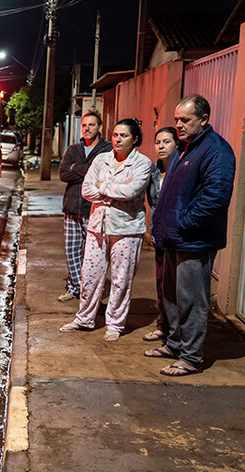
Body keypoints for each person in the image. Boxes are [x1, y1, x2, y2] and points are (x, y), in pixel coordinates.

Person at [149, 95, 236, 376]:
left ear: (204, 119)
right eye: (176, 119)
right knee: (172, 296)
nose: (178, 125)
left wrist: (184, 224)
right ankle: (174, 344)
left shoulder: (217, 151)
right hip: (175, 238)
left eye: (185, 120)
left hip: (194, 240)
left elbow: (215, 198)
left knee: (192, 300)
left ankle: (191, 357)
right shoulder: (182, 149)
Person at [59, 118, 151, 341]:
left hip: (126, 229)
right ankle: (84, 318)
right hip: (97, 226)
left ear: (135, 139)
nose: (118, 139)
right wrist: (111, 191)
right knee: (89, 275)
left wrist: (103, 188)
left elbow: (132, 191)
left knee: (121, 278)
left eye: (124, 136)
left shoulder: (143, 163)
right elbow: (86, 190)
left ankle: (115, 324)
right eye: (116, 135)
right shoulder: (101, 160)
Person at [57, 111, 113, 302]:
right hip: (71, 207)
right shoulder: (73, 149)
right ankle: (75, 288)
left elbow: (104, 175)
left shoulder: (107, 149)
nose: (87, 128)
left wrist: (76, 168)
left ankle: (90, 290)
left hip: (94, 209)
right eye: (84, 125)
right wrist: (88, 173)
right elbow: (63, 174)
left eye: (91, 125)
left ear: (99, 127)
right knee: (72, 251)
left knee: (94, 253)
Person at [143, 127, 180, 343]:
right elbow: (151, 200)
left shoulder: (180, 169)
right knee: (160, 282)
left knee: (174, 285)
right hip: (158, 233)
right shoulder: (154, 171)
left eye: (167, 141)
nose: (161, 146)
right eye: (158, 142)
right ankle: (162, 325)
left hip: (176, 235)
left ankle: (176, 332)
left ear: (176, 144)